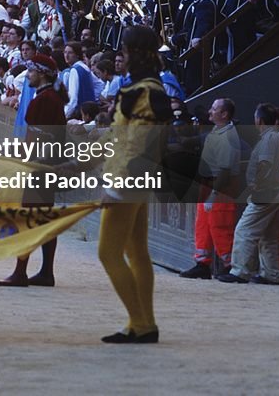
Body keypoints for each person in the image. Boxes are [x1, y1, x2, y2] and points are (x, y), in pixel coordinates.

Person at [98, 26, 170, 344]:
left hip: (126, 182)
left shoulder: (143, 92)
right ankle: (142, 322)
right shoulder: (148, 88)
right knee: (136, 251)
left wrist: (116, 188)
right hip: (136, 180)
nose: (120, 57)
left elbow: (141, 146)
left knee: (108, 253)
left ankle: (141, 323)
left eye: (124, 51)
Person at [0, 53, 67, 288]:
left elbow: (38, 140)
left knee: (28, 219)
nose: (28, 75)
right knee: (44, 218)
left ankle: (20, 272)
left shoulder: (44, 101)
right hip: (46, 166)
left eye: (31, 71)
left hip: (38, 168)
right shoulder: (50, 98)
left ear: (43, 73)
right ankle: (46, 272)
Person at [216, 103, 279, 284]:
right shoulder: (274, 137)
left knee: (244, 230)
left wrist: (257, 186)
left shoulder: (269, 138)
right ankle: (271, 274)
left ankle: (239, 271)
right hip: (274, 191)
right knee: (268, 235)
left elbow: (265, 164)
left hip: (266, 192)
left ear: (259, 120)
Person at [180, 98, 242, 278]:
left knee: (220, 227)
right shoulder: (217, 132)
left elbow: (224, 170)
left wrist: (213, 195)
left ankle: (229, 265)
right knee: (203, 226)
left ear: (224, 114)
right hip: (208, 185)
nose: (210, 112)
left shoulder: (228, 137)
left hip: (220, 189)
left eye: (214, 109)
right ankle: (202, 263)